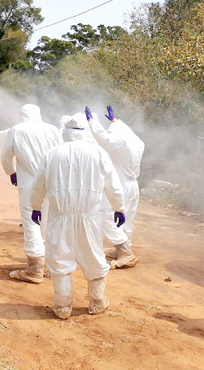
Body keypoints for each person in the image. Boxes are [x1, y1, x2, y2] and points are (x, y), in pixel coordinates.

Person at [30, 122, 126, 319]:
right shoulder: (98, 153)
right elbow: (113, 184)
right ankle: (98, 302)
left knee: (59, 257)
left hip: (60, 215)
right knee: (93, 255)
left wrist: (36, 206)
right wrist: (119, 207)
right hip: (90, 216)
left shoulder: (53, 154)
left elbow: (38, 183)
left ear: (66, 133)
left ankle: (63, 306)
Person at [1, 104, 62, 283]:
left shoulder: (17, 130)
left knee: (31, 221)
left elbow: (5, 156)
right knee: (49, 220)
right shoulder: (52, 130)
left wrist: (11, 172)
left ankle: (35, 269)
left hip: (29, 182)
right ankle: (52, 262)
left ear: (22, 115)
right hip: (52, 182)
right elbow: (61, 154)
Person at [85, 105, 144, 269]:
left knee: (110, 216)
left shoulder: (120, 143)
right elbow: (114, 134)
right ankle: (124, 247)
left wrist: (92, 121)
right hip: (133, 185)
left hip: (121, 183)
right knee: (128, 217)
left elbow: (103, 137)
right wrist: (116, 121)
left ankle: (125, 253)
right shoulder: (137, 141)